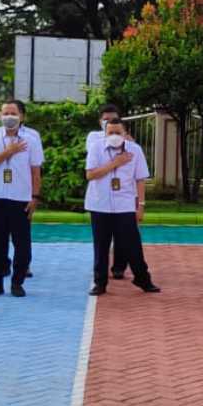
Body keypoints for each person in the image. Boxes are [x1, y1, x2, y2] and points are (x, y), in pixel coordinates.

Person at [84, 120, 160, 295]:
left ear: (125, 133)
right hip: (100, 204)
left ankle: (142, 279)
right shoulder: (96, 148)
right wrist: (115, 163)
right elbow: (90, 174)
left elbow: (140, 179)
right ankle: (100, 282)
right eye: (110, 132)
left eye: (118, 132)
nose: (114, 136)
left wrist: (141, 206)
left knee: (132, 244)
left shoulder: (135, 150)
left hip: (125, 205)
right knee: (101, 246)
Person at [0, 100, 43, 297]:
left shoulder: (31, 140)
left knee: (22, 244)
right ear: (0, 116)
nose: (9, 117)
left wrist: (35, 197)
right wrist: (8, 152)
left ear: (21, 116)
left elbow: (36, 171)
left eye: (13, 113)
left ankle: (17, 283)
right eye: (5, 113)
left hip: (21, 198)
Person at [86, 104, 130, 280]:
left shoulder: (127, 140)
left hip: (122, 196)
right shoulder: (94, 139)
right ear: (100, 121)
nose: (109, 122)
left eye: (113, 119)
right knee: (101, 240)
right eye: (105, 119)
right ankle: (100, 276)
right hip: (100, 196)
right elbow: (92, 169)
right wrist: (115, 162)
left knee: (122, 236)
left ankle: (119, 267)